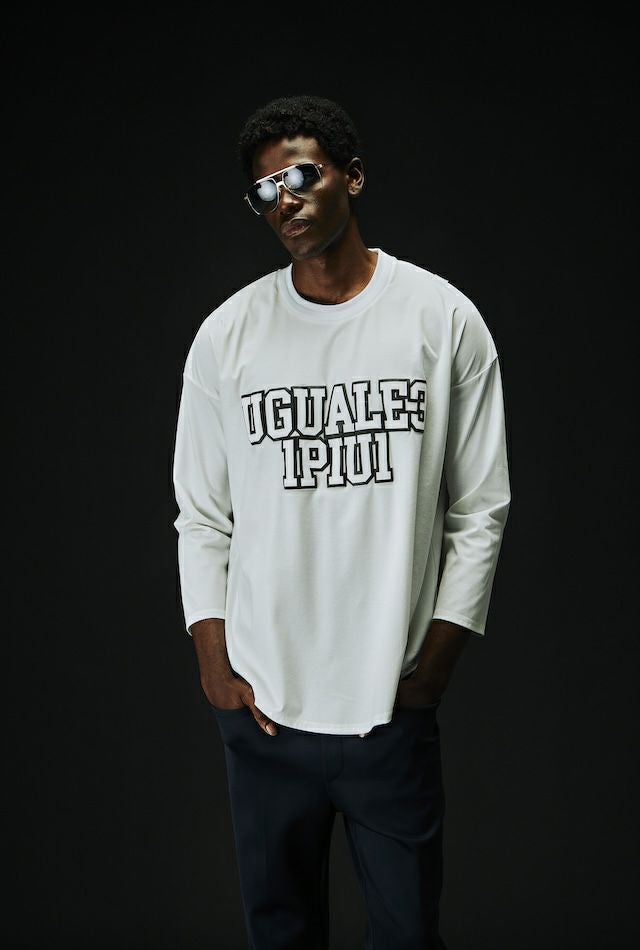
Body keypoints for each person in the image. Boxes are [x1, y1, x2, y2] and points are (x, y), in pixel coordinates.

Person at [172, 94, 511, 950]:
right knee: (280, 935)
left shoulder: (441, 319)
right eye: (264, 190)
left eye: (302, 175)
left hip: (387, 707)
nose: (283, 200)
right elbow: (202, 515)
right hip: (264, 711)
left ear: (351, 178)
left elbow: (480, 508)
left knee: (407, 935)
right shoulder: (228, 337)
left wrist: (434, 665)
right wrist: (215, 664)